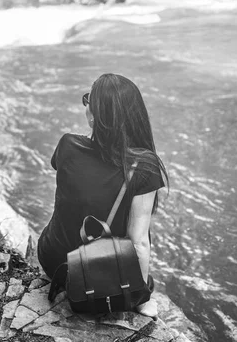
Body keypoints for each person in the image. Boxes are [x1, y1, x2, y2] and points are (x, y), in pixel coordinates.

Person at [37, 73, 168, 317]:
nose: (86, 106)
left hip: (52, 258)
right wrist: (140, 298)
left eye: (88, 102)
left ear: (93, 116)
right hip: (93, 274)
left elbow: (80, 180)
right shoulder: (144, 166)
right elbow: (138, 241)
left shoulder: (67, 145)